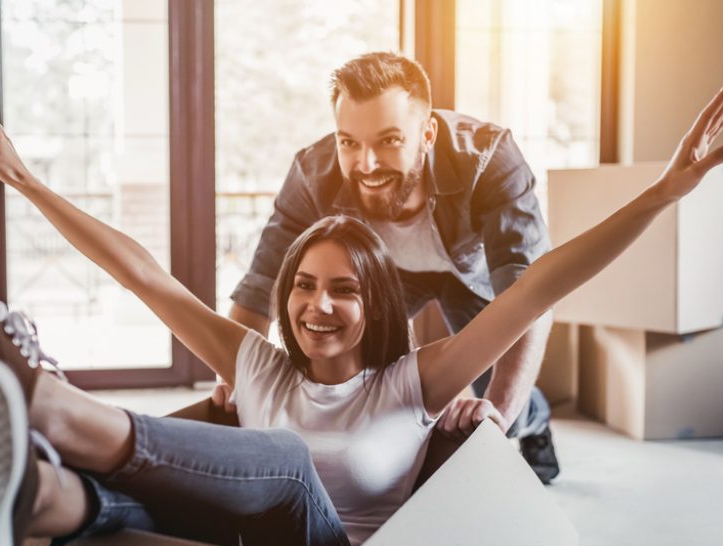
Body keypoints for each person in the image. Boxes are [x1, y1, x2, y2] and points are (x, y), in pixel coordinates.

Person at [0, 80, 723, 546]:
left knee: (282, 460)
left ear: (375, 301)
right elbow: (147, 277)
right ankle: (33, 494)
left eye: (344, 289)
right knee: (135, 503)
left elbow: (542, 283)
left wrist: (662, 194)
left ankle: (45, 400)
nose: (318, 305)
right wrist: (28, 184)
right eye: (305, 286)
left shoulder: (415, 382)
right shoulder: (257, 363)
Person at [216, 52, 560, 481]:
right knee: (369, 367)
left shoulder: (490, 158)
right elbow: (261, 284)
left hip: (472, 274)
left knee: (500, 386)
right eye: (349, 142)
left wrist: (499, 420)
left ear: (428, 133)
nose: (367, 164)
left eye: (389, 140)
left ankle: (536, 420)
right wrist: (234, 377)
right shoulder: (312, 173)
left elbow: (530, 295)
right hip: (388, 275)